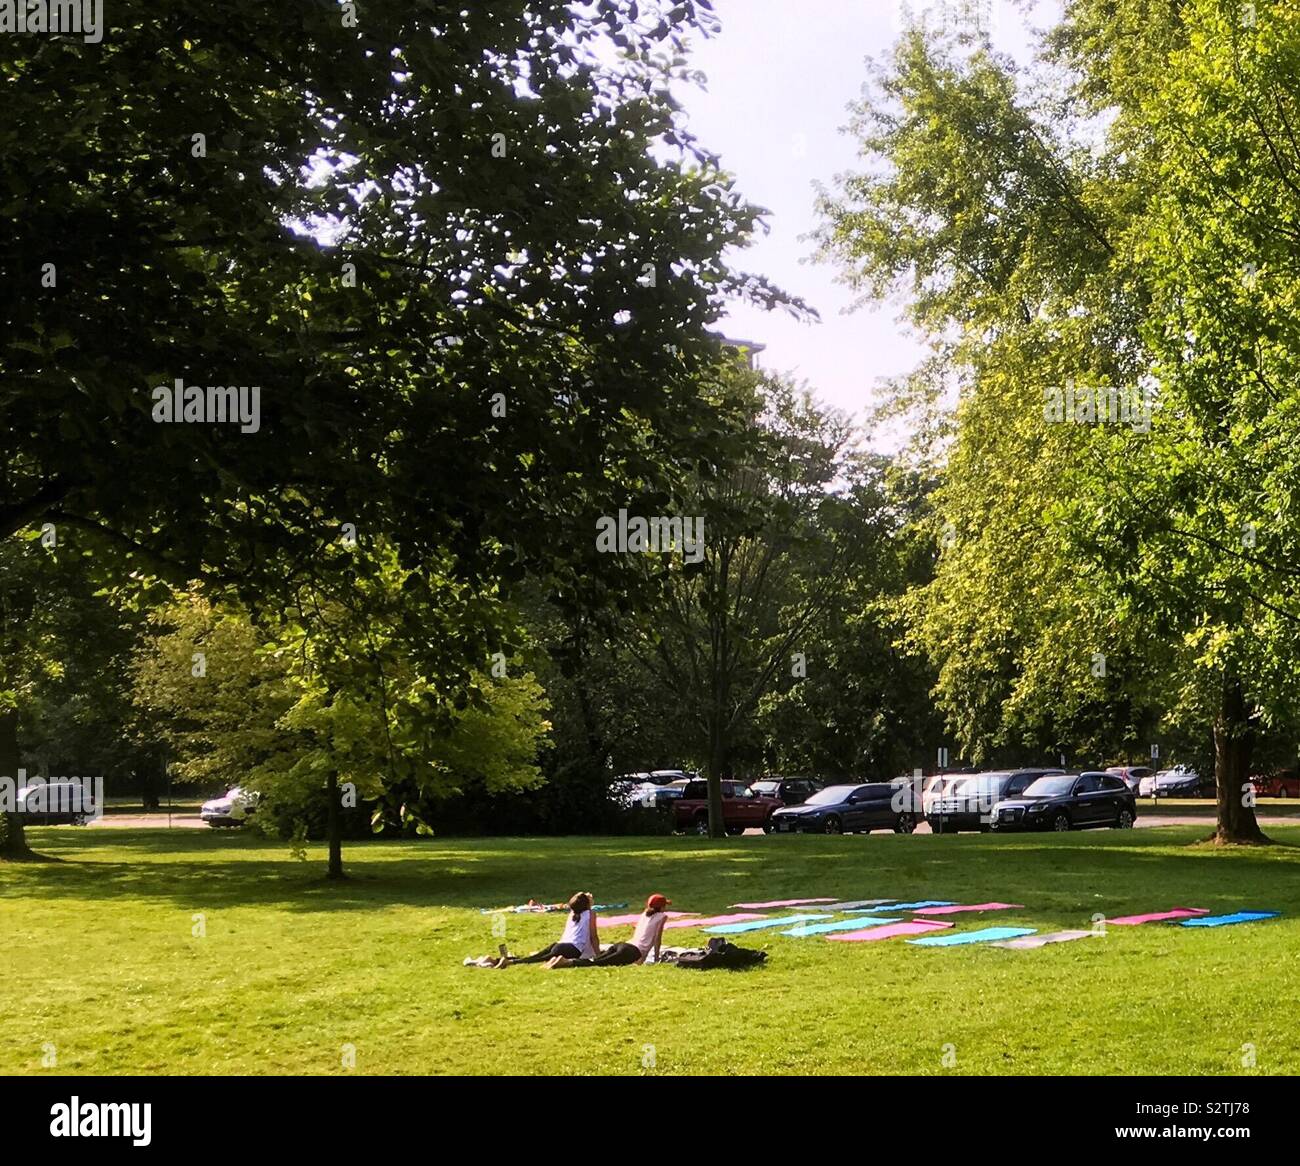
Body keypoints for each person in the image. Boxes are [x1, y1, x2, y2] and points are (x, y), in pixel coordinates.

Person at [551, 894, 670, 968]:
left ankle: (562, 961)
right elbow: (657, 939)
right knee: (597, 962)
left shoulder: (645, 914)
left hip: (624, 945)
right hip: (631, 951)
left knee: (598, 960)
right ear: (662, 907)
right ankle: (567, 962)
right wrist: (656, 958)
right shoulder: (662, 917)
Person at [496, 892, 599, 966]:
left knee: (536, 957)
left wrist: (585, 898)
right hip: (572, 948)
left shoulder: (573, 913)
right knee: (539, 959)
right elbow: (593, 936)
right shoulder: (590, 914)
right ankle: (510, 962)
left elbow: (579, 905)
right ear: (586, 904)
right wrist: (598, 955)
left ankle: (505, 960)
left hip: (559, 944)